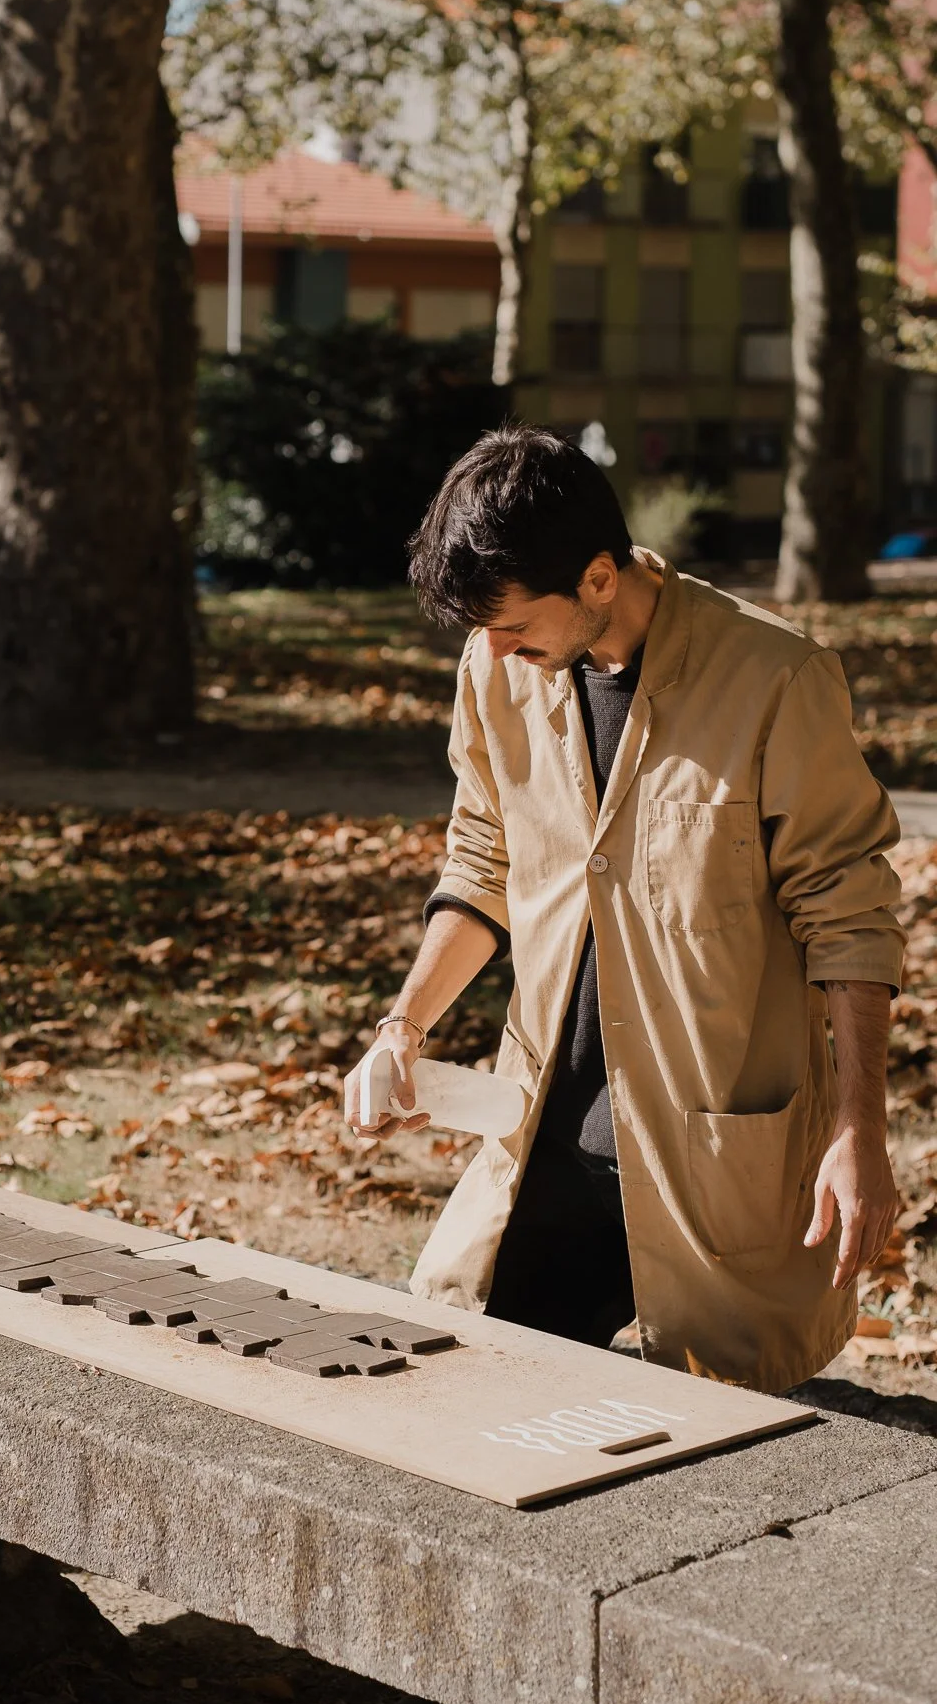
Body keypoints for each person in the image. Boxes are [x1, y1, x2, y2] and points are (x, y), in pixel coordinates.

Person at [345, 426, 904, 1392]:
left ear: (599, 578)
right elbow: (482, 860)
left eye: (515, 626)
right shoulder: (497, 666)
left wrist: (859, 1132)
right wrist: (403, 1028)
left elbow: (848, 914)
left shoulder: (777, 681)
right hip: (543, 1136)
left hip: (713, 1150)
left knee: (719, 1436)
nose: (498, 653)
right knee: (478, 1393)